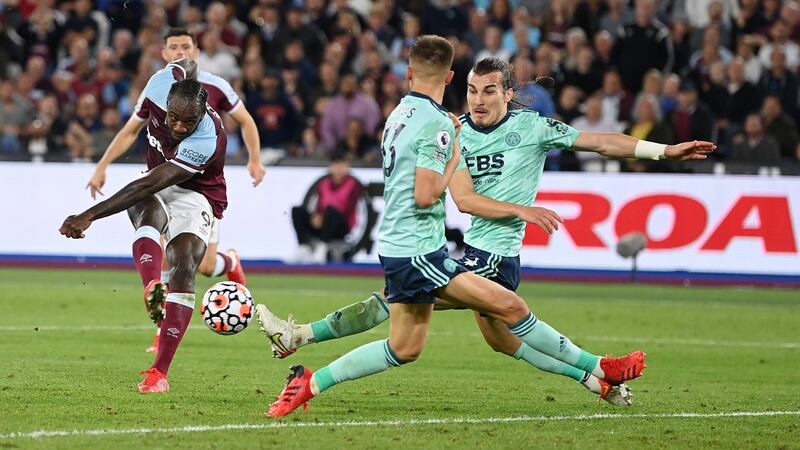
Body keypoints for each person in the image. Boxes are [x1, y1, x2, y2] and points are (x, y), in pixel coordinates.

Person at [262, 44, 713, 418]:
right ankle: (599, 376)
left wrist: (664, 151)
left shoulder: (532, 128)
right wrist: (524, 209)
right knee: (441, 321)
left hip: (498, 256)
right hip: (477, 254)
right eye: (473, 90)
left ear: (508, 93)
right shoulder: (456, 131)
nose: (477, 99)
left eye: (489, 91)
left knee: (467, 329)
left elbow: (601, 141)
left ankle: (300, 339)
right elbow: (465, 201)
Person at [86, 28, 265, 353]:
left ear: (196, 51)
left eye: (186, 46)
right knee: (169, 257)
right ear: (165, 53)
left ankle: (230, 262)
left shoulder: (217, 86)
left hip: (201, 186)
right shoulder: (158, 87)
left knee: (206, 266)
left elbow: (247, 121)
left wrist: (255, 158)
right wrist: (102, 165)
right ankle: (161, 329)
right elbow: (131, 130)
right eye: (174, 47)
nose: (181, 52)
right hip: (164, 183)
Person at [60, 59, 227, 394]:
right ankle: (153, 286)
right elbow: (183, 64)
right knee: (144, 209)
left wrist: (88, 215)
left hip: (197, 194)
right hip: (155, 187)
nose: (179, 127)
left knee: (185, 263)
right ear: (165, 102)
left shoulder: (206, 140)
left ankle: (158, 374)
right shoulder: (158, 85)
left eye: (188, 121)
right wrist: (188, 67)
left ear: (204, 113)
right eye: (174, 117)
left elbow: (147, 183)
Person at [290, 150, 364, 263]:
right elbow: (320, 205)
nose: (338, 168)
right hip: (325, 222)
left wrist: (324, 216)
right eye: (336, 164)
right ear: (331, 166)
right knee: (297, 211)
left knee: (331, 211)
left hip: (342, 225)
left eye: (341, 164)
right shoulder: (324, 183)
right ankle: (305, 246)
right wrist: (317, 216)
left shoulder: (353, 184)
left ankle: (323, 247)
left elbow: (349, 209)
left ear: (347, 166)